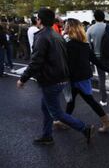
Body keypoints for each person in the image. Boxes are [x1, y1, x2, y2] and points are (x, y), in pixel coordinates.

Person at [17, 8, 95, 145]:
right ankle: (47, 135)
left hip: (51, 80)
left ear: (39, 20)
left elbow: (36, 61)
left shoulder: (42, 37)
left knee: (57, 113)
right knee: (45, 107)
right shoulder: (56, 35)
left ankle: (84, 128)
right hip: (61, 78)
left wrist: (23, 79)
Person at [53, 18, 109, 132]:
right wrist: (108, 69)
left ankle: (107, 122)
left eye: (66, 25)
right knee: (72, 101)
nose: (64, 27)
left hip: (76, 79)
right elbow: (94, 60)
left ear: (70, 28)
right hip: (82, 77)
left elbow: (65, 63)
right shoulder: (84, 44)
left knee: (89, 101)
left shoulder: (68, 44)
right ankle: (64, 121)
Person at [87, 10, 109, 106]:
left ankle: (103, 100)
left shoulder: (90, 29)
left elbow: (88, 45)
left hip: (98, 58)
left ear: (95, 18)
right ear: (104, 17)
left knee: (101, 78)